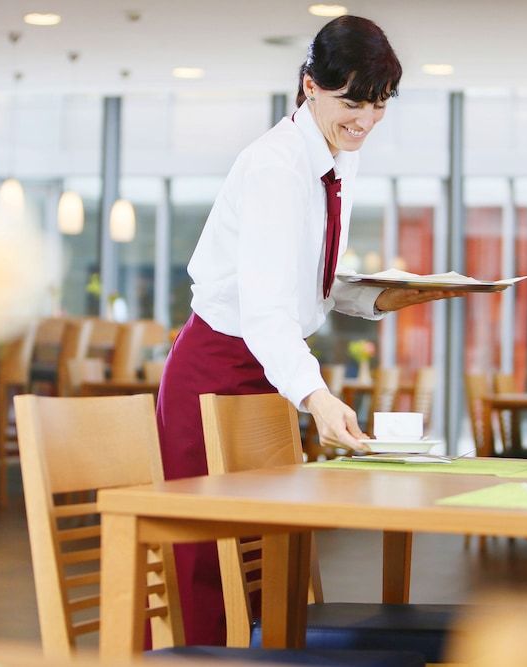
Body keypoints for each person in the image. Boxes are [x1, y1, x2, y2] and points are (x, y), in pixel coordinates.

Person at [155, 15, 459, 646]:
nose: (366, 121)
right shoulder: (274, 167)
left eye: (378, 105)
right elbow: (264, 308)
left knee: (266, 557)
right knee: (210, 569)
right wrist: (317, 396)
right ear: (309, 86)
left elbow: (297, 279)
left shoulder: (331, 159)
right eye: (352, 103)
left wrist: (379, 296)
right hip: (215, 371)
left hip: (263, 369)